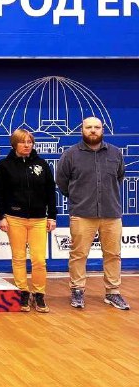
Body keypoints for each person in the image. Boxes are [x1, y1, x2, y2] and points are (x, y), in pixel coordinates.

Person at [56, 117, 129, 310]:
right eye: (89, 127)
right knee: (79, 254)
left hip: (111, 213)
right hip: (82, 213)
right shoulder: (70, 154)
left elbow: (119, 177)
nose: (93, 130)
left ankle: (113, 292)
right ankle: (77, 290)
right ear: (82, 130)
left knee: (113, 254)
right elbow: (62, 181)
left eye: (97, 127)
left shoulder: (115, 153)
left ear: (103, 130)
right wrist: (79, 197)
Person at [0, 129, 57, 313]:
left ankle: (39, 293)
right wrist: (1, 216)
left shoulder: (42, 164)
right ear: (14, 144)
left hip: (39, 219)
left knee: (39, 260)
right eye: (23, 142)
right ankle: (23, 292)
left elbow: (50, 192)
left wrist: (52, 216)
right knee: (19, 258)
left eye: (30, 142)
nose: (27, 145)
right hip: (14, 218)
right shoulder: (5, 165)